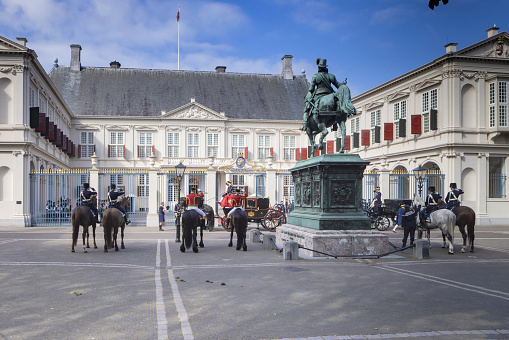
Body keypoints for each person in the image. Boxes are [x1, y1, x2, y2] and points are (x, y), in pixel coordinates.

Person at [300, 58, 347, 131]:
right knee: (338, 106)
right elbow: (338, 86)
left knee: (307, 108)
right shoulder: (331, 76)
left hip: (319, 95)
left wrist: (308, 96)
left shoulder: (315, 76)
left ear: (319, 67)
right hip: (330, 94)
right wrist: (343, 83)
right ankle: (335, 125)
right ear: (325, 67)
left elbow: (311, 89)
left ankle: (305, 124)